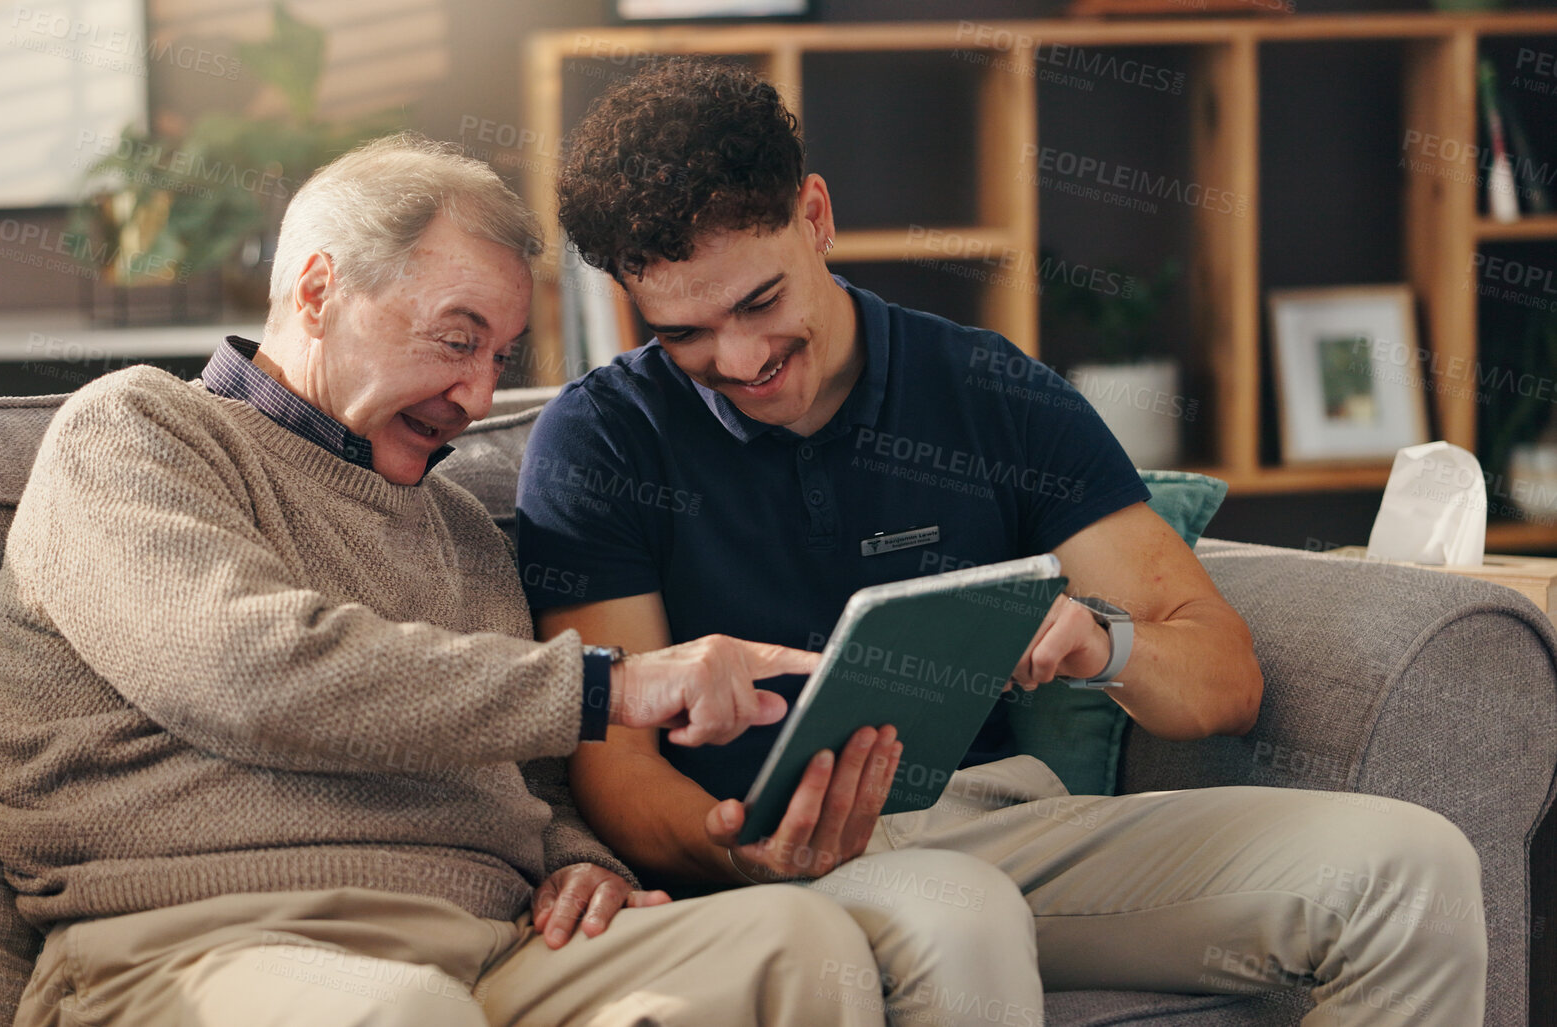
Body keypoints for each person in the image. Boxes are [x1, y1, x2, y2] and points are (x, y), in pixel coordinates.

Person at [520, 59, 1487, 1026]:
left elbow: (1222, 679)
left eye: (761, 302)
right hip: (766, 872)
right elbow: (616, 763)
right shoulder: (600, 440)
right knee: (956, 910)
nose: (738, 362)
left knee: (1415, 869)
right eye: (687, 333)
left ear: (814, 216)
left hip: (1000, 826)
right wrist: (733, 847)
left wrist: (1103, 643)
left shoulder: (988, 390)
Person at [0, 132, 891, 1027]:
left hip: (488, 946)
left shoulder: (458, 528)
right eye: (457, 340)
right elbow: (249, 672)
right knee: (404, 1010)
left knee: (793, 937)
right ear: (318, 291)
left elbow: (535, 780)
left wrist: (580, 863)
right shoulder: (137, 431)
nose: (478, 399)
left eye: (498, 358)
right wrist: (614, 682)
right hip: (202, 942)